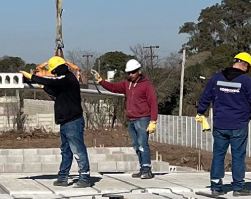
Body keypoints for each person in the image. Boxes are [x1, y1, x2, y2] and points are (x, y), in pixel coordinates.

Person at [195, 51, 251, 195]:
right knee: (238, 156)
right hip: (238, 124)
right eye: (248, 69)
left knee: (218, 155)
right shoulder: (246, 81)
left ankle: (216, 187)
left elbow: (206, 96)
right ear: (245, 65)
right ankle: (238, 188)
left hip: (220, 123)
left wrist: (200, 111)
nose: (248, 72)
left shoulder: (216, 78)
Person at [23, 56, 93, 187]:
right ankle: (63, 177)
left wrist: (32, 77)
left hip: (73, 121)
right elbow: (53, 91)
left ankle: (84, 177)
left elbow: (53, 83)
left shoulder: (68, 79)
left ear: (58, 68)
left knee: (78, 150)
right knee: (66, 151)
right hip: (65, 122)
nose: (54, 74)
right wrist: (41, 85)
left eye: (54, 71)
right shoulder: (64, 82)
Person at [98, 58, 159, 180]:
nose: (130, 75)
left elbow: (153, 102)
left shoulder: (146, 85)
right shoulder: (127, 83)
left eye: (133, 72)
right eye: (129, 73)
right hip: (132, 120)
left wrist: (153, 120)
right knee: (136, 146)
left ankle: (147, 169)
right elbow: (114, 88)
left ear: (139, 71)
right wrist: (101, 81)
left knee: (143, 145)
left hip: (143, 119)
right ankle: (142, 168)